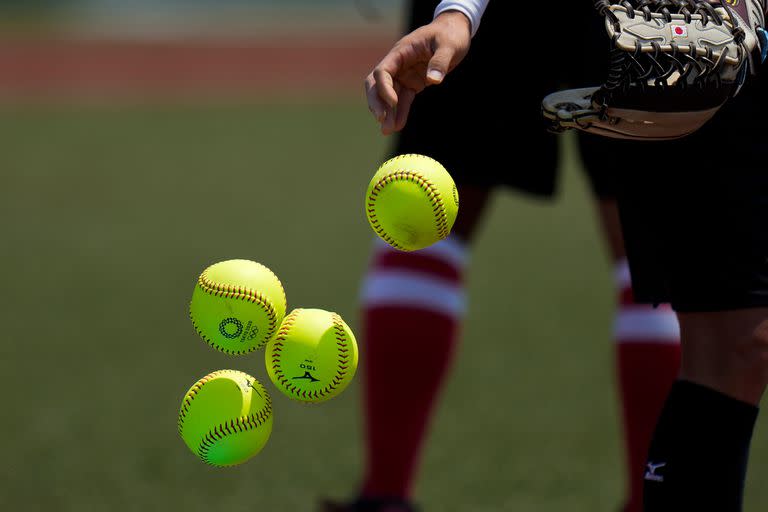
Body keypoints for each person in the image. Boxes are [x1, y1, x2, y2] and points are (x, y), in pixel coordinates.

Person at [355, 1, 768, 511]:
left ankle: (384, 493)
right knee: (666, 275)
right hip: (639, 14)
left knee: (426, 220)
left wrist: (459, 12)